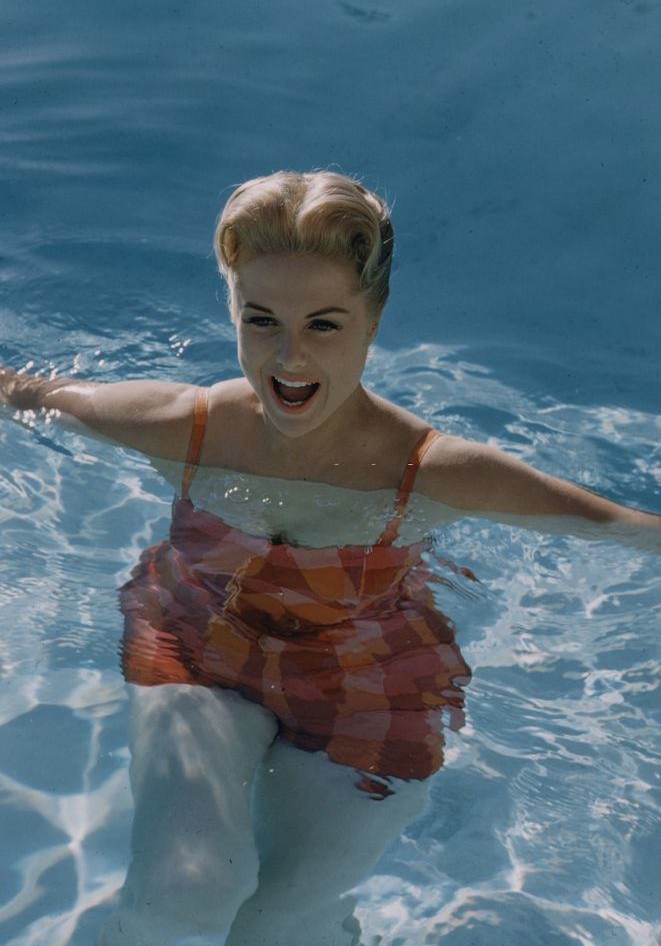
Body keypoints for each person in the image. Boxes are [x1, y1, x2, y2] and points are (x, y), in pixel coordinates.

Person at [1, 170, 659, 946]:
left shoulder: (433, 471)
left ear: (373, 322)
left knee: (281, 927)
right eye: (261, 320)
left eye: (323, 324)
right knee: (179, 894)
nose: (289, 358)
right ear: (233, 312)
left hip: (369, 689)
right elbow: (23, 394)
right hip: (195, 646)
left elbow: (624, 527)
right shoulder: (181, 426)